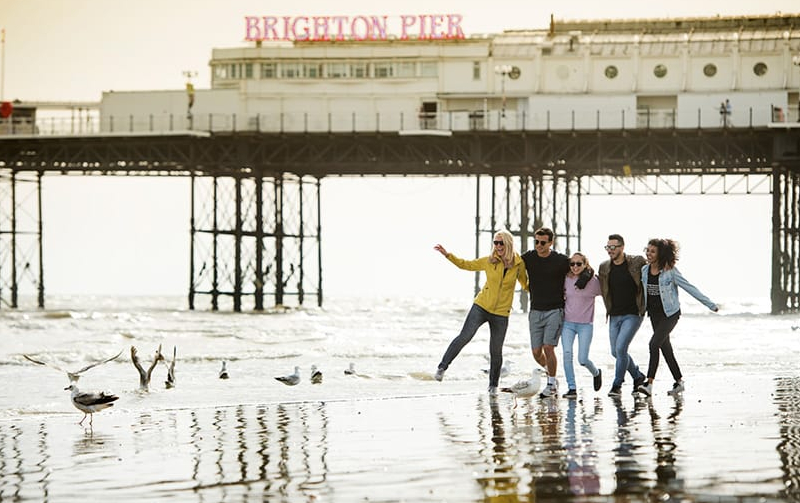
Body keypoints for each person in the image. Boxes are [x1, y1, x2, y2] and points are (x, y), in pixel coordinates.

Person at [433, 230, 527, 395]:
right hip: (481, 306)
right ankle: (442, 367)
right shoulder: (489, 261)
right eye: (495, 243)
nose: (498, 246)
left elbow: (526, 285)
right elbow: (466, 264)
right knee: (465, 336)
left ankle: (493, 386)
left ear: (508, 244)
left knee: (496, 350)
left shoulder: (519, 264)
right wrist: (448, 255)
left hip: (501, 313)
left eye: (501, 243)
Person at [637, 239, 719, 397]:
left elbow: (689, 287)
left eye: (653, 251)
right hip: (654, 315)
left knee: (653, 344)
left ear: (660, 254)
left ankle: (649, 384)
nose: (648, 254)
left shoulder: (671, 272)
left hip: (670, 314)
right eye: (647, 250)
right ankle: (679, 382)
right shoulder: (644, 270)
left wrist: (710, 304)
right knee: (665, 349)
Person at [521, 227, 570, 398]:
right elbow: (512, 262)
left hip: (555, 310)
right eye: (536, 242)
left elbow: (580, 267)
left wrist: (586, 277)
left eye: (543, 243)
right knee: (536, 352)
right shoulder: (529, 257)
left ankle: (551, 384)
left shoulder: (561, 260)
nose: (539, 246)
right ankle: (552, 377)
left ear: (551, 243)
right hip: (535, 311)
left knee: (548, 347)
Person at [598, 234, 648, 397]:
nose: (610, 250)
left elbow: (652, 273)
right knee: (616, 352)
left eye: (613, 247)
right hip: (614, 315)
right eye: (608, 247)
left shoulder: (636, 262)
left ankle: (617, 385)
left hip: (633, 314)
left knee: (620, 348)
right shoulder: (604, 267)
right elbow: (599, 284)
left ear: (622, 247)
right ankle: (638, 376)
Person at [560, 252, 603, 399]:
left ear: (585, 264)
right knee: (567, 354)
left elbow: (608, 293)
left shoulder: (593, 282)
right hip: (567, 324)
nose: (575, 267)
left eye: (579, 264)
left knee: (583, 360)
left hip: (585, 325)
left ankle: (596, 372)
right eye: (572, 264)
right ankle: (571, 388)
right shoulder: (566, 279)